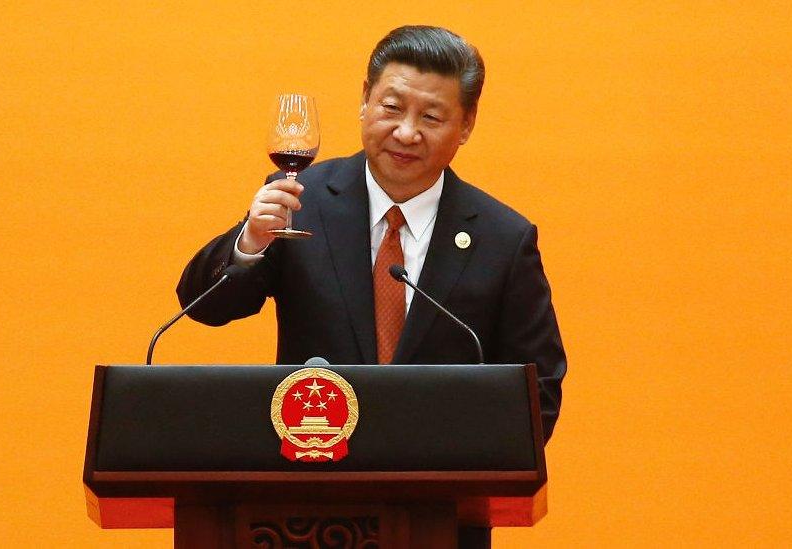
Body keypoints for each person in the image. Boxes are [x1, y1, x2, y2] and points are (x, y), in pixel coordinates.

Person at [177, 25, 566, 549]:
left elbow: (536, 388)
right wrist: (251, 239)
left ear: (466, 125)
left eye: (430, 117)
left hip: (440, 517)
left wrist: (472, 473)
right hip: (301, 507)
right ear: (363, 102)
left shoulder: (503, 238)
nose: (406, 133)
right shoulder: (300, 200)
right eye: (391, 107)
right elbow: (206, 306)